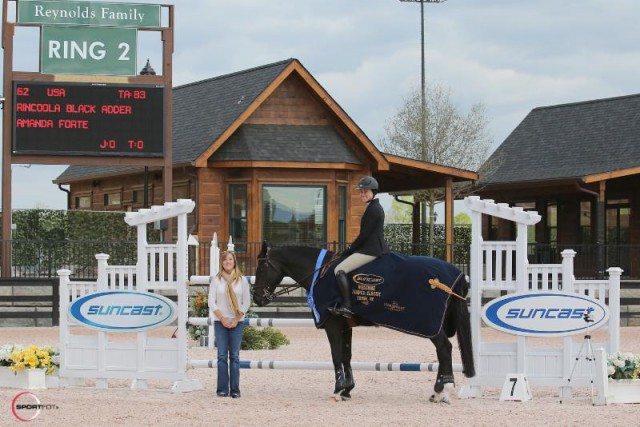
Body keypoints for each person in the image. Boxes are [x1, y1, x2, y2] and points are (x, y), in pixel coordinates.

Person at [330, 175, 388, 318]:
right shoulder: (373, 207)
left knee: (339, 269)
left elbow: (364, 235)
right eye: (361, 192)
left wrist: (349, 251)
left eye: (365, 191)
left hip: (370, 250)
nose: (362, 194)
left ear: (374, 191)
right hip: (370, 248)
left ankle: (347, 306)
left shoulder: (374, 209)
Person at [208, 250, 251, 398]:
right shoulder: (216, 280)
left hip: (236, 322)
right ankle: (222, 389)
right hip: (220, 322)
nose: (227, 262)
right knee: (221, 356)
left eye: (230, 259)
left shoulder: (242, 280)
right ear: (222, 262)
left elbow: (246, 303)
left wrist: (235, 319)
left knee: (234, 356)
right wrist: (223, 319)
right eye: (225, 259)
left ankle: (235, 389)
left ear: (234, 262)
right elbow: (211, 301)